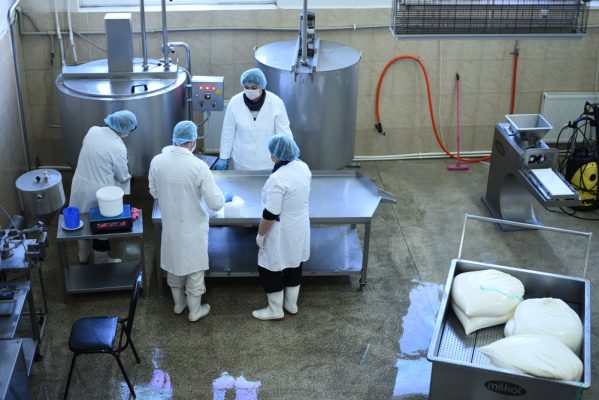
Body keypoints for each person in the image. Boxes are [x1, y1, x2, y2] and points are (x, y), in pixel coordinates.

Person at [149, 121, 225, 322]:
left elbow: (154, 192)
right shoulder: (198, 166)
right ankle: (195, 311)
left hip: (171, 226)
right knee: (194, 270)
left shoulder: (157, 161)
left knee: (174, 265)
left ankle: (178, 304)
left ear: (175, 138)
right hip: (193, 228)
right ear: (192, 141)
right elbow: (216, 203)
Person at [253, 134, 311, 321]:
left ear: (274, 155)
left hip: (280, 229)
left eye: (271, 153)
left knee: (270, 267)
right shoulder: (303, 167)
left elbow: (271, 213)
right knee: (294, 263)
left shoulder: (278, 178)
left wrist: (261, 235)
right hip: (299, 225)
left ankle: (275, 309)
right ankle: (291, 305)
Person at [69, 110, 137, 264]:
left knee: (81, 221)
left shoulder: (92, 131)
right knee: (102, 225)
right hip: (100, 192)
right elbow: (122, 175)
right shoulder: (118, 146)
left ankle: (82, 255)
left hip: (80, 184)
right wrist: (128, 178)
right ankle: (101, 258)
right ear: (125, 130)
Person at [214, 68, 293, 171]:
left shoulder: (276, 102)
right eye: (246, 87)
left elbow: (284, 133)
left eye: (254, 87)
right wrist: (224, 157)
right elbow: (228, 132)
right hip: (241, 160)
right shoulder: (235, 102)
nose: (250, 91)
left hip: (268, 161)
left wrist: (290, 156)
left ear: (262, 86)